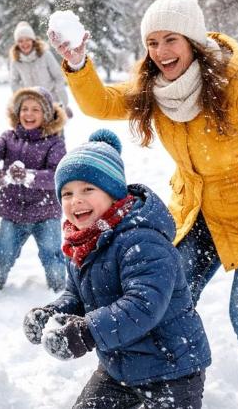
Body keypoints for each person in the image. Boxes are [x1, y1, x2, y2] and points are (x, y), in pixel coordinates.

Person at [52, 0, 238, 407]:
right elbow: (101, 103)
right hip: (197, 214)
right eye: (152, 42)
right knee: (167, 300)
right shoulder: (155, 87)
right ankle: (157, 379)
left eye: (170, 39)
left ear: (193, 41)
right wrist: (78, 63)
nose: (160, 51)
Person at [23, 129, 211, 408]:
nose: (76, 200)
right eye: (67, 193)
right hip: (119, 367)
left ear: (113, 193)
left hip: (171, 367)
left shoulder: (142, 239)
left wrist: (87, 332)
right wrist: (52, 314)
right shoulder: (80, 242)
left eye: (88, 189)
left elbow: (143, 305)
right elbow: (76, 296)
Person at [0, 87, 67, 291]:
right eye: (24, 109)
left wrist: (28, 176)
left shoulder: (54, 142)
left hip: (45, 213)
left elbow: (56, 177)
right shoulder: (9, 138)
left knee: (53, 257)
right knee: (2, 255)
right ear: (17, 112)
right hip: (13, 212)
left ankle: (61, 292)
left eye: (35, 109)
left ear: (47, 115)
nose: (28, 114)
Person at [9, 21, 72, 118]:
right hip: (31, 106)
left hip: (51, 102)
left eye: (27, 40)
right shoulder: (16, 61)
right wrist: (24, 98)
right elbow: (14, 83)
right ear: (17, 44)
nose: (24, 44)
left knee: (54, 132)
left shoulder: (45, 55)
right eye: (20, 41)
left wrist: (64, 103)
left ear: (33, 40)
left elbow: (58, 77)